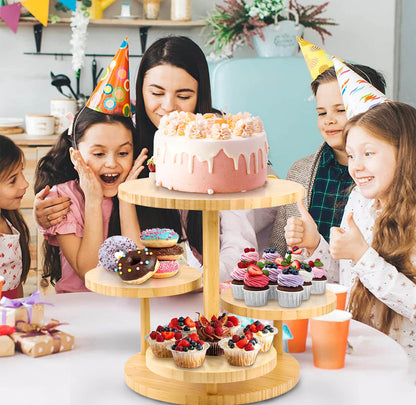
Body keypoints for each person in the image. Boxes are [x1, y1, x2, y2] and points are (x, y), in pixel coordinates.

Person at [34, 36, 261, 279]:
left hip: (202, 281)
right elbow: (73, 182)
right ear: (140, 91)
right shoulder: (124, 138)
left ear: (200, 95)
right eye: (156, 92)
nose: (168, 106)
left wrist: (203, 282)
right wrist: (43, 213)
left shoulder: (221, 145)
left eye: (183, 96)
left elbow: (238, 242)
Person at [286, 101, 416, 372]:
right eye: (351, 155)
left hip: (403, 369)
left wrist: (361, 255)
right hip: (359, 354)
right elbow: (345, 280)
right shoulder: (359, 201)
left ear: (405, 153)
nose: (356, 167)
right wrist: (316, 245)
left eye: (368, 153)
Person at [269, 64, 386, 255]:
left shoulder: (391, 176)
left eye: (340, 110)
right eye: (322, 113)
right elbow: (277, 249)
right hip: (306, 283)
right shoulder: (300, 172)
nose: (328, 120)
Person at [34, 107, 147, 293]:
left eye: (123, 153)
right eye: (99, 154)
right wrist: (93, 202)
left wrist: (126, 199)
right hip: (78, 307)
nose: (111, 163)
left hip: (128, 303)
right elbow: (89, 272)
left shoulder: (142, 192)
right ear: (75, 156)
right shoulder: (63, 198)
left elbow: (137, 268)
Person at [0, 135, 30, 299]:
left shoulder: (10, 221)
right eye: (13, 180)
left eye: (21, 173)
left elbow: (16, 285)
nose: (25, 184)